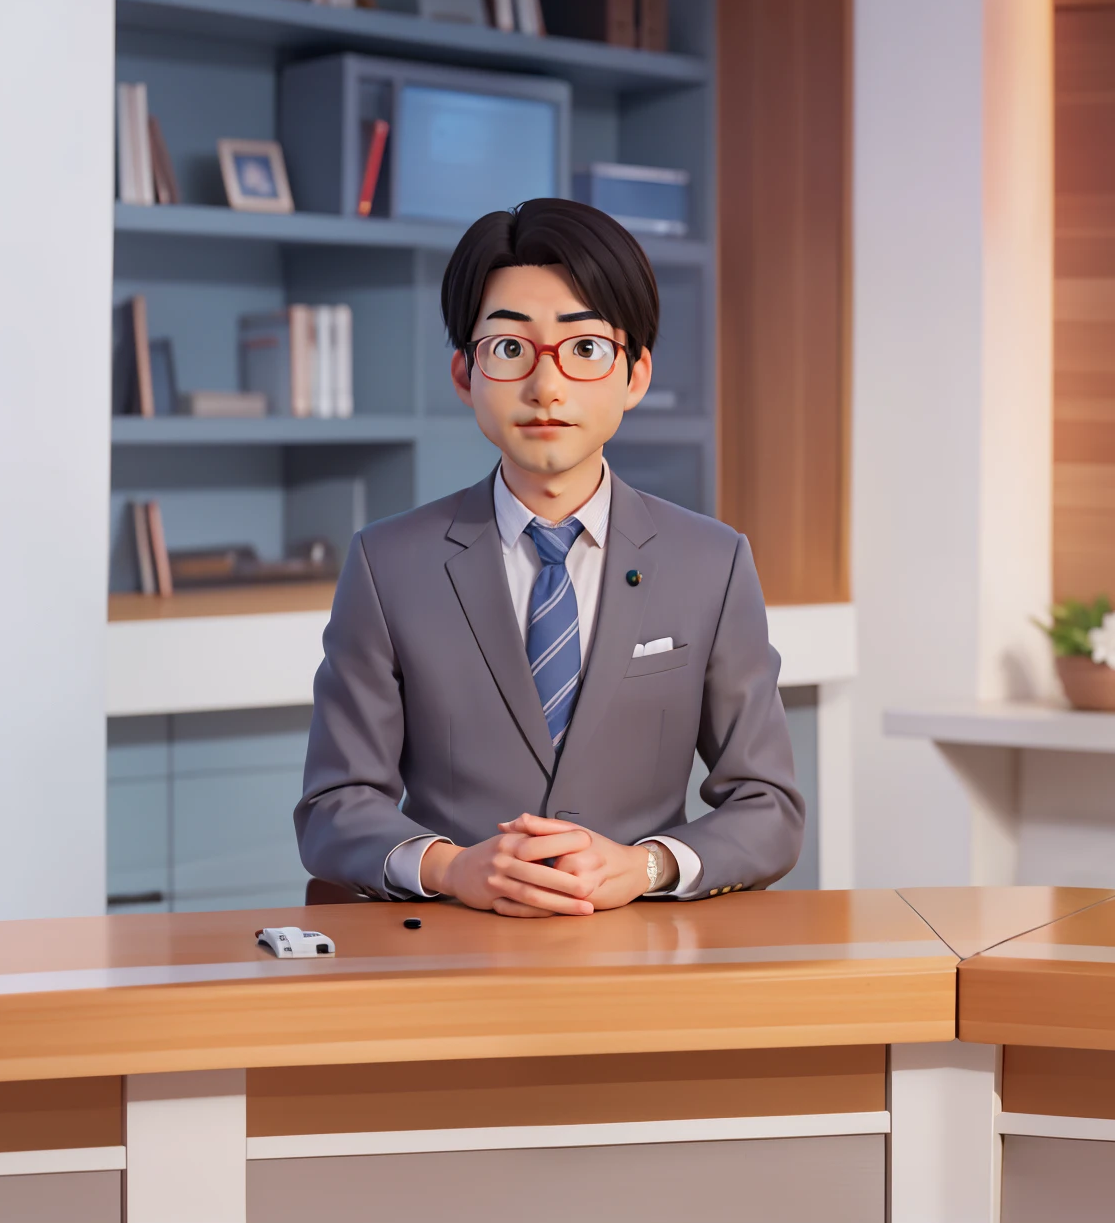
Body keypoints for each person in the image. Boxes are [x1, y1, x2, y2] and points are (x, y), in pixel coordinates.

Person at [296, 199, 803, 915]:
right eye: (509, 349)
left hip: (645, 964)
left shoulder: (711, 563)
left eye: (586, 347)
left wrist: (645, 865)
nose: (547, 386)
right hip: (452, 960)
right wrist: (450, 867)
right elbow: (333, 806)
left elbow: (769, 806)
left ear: (636, 375)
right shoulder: (387, 565)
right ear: (465, 376)